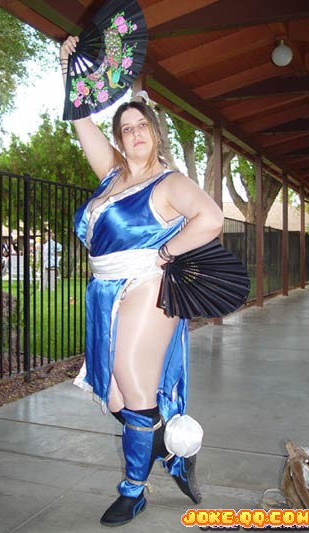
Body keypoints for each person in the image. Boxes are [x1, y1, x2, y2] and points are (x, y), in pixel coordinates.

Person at [60, 36, 224, 527]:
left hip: (147, 283)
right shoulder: (112, 175)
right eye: (125, 128)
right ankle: (174, 449)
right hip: (104, 289)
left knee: (133, 385)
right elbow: (81, 121)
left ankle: (133, 489)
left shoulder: (169, 181)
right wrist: (69, 72)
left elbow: (212, 219)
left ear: (155, 132)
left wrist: (166, 253)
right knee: (115, 396)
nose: (134, 133)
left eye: (141, 126)